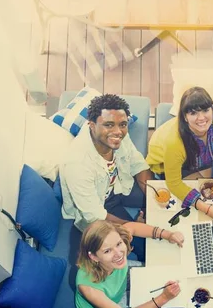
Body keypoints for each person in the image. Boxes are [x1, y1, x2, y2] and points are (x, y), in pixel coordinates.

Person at [60, 94, 154, 261]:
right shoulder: (77, 164)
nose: (118, 132)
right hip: (99, 208)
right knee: (147, 244)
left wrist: (154, 198)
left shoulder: (116, 137)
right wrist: (138, 227)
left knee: (164, 204)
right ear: (92, 125)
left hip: (118, 185)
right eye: (109, 125)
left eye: (123, 124)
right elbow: (95, 216)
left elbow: (138, 164)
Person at [146, 87, 213, 219]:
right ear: (185, 117)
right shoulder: (173, 142)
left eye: (205, 110)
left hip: (200, 158)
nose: (201, 118)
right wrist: (207, 209)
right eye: (193, 113)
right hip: (165, 161)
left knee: (206, 188)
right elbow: (174, 183)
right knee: (193, 203)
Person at [76, 220, 185, 308]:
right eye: (107, 251)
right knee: (154, 301)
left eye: (118, 244)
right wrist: (164, 297)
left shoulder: (114, 239)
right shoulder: (88, 288)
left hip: (120, 277)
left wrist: (168, 235)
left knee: (157, 274)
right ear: (94, 257)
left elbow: (132, 227)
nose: (118, 254)